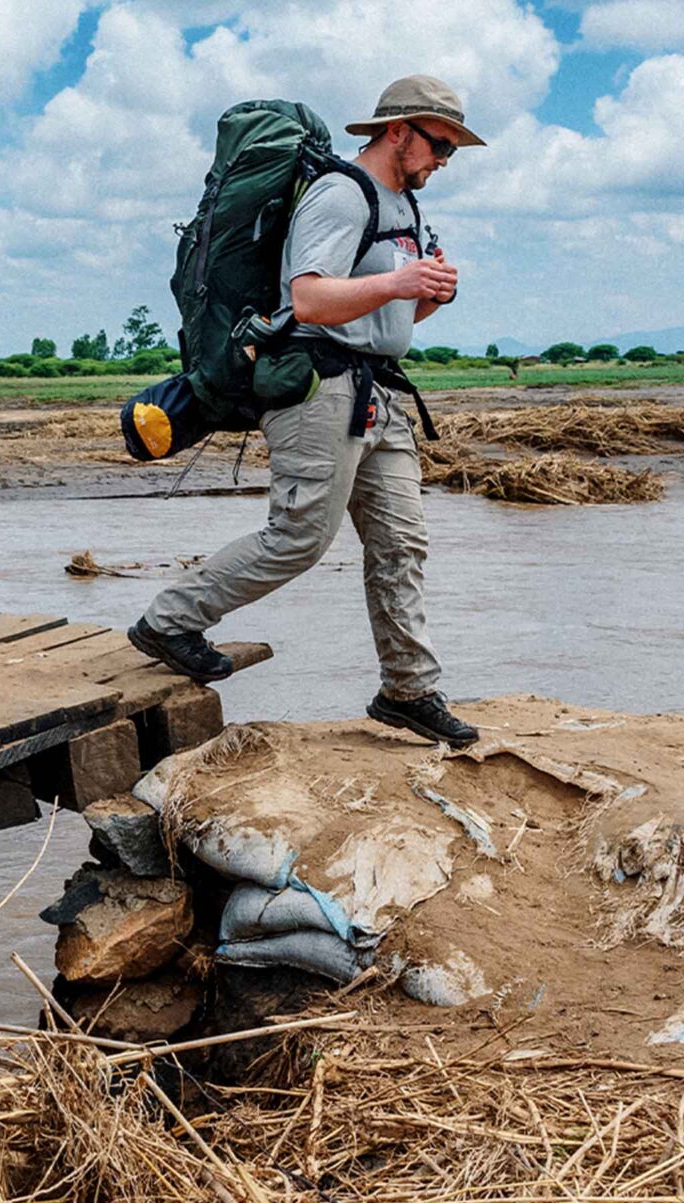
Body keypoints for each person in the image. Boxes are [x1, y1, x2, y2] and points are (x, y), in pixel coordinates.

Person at [131, 75, 481, 747]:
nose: (443, 161)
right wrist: (405, 279)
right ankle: (168, 621)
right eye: (439, 145)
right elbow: (312, 301)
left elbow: (388, 309)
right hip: (319, 389)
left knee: (402, 545)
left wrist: (430, 293)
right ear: (397, 131)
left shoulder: (403, 206)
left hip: (377, 393)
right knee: (299, 538)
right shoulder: (339, 195)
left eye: (453, 151)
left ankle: (409, 691)